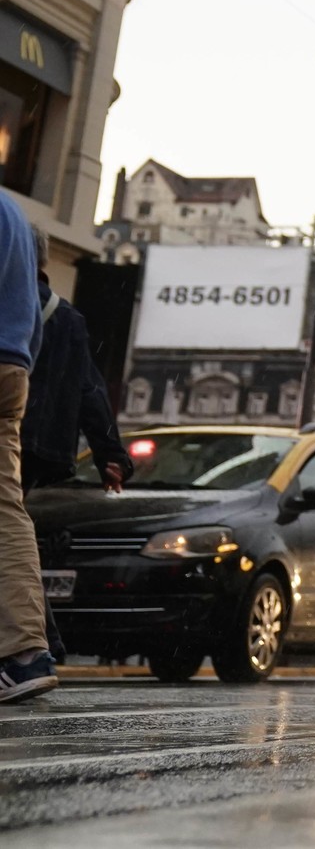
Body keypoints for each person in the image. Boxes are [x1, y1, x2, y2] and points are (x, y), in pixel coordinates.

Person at [23, 230, 131, 493]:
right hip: (33, 447)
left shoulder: (12, 300)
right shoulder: (67, 317)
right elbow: (89, 389)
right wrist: (111, 456)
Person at [0, 190, 51, 703]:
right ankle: (25, 654)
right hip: (12, 365)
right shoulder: (15, 214)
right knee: (5, 511)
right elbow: (34, 309)